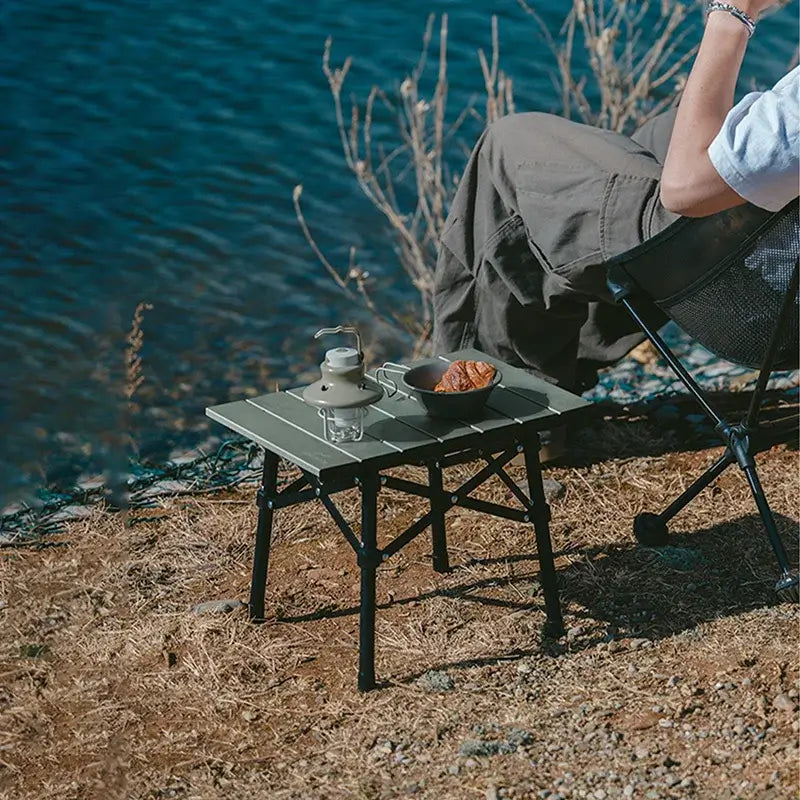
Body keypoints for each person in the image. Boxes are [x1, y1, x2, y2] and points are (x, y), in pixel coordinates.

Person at [432, 0, 799, 406]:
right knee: (663, 135)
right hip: (774, 275)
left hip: (763, 305)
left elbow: (682, 190)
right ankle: (554, 369)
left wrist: (733, 14)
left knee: (509, 146)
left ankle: (493, 408)